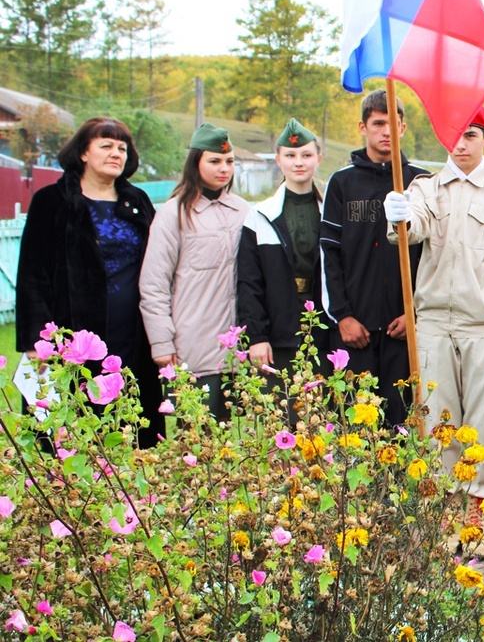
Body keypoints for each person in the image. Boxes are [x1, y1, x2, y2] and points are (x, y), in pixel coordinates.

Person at [382, 106, 484, 525]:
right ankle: (445, 509)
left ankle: (477, 508)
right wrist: (399, 214)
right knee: (438, 419)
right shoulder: (427, 189)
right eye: (454, 134)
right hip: (433, 325)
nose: (461, 143)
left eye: (470, 134)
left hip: (483, 328)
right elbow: (414, 227)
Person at [16, 117, 163, 447]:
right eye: (106, 145)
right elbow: (32, 274)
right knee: (70, 436)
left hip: (132, 334)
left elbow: (158, 266)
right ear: (83, 152)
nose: (116, 154)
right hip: (72, 338)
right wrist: (34, 342)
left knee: (133, 431)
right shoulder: (52, 201)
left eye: (122, 148)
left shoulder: (137, 202)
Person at [320, 90, 428, 426]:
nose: (386, 132)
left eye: (393, 124)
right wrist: (343, 316)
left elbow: (432, 258)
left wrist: (413, 313)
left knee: (401, 421)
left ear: (404, 128)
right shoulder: (341, 183)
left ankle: (400, 480)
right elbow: (329, 255)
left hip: (403, 327)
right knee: (356, 422)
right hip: (357, 329)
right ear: (362, 127)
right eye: (378, 123)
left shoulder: (421, 182)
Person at [140, 123, 250, 419]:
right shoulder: (173, 214)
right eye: (214, 161)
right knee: (196, 441)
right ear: (195, 163)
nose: (223, 169)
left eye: (229, 162)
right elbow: (154, 285)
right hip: (192, 349)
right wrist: (161, 342)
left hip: (239, 353)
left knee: (236, 441)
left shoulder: (244, 211)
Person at [238, 118, 331, 402]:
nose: (298, 162)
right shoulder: (259, 216)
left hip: (325, 332)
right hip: (279, 333)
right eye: (290, 155)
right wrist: (256, 336)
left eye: (306, 155)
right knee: (283, 418)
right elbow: (249, 282)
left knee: (324, 420)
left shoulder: (331, 212)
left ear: (318, 159)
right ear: (278, 160)